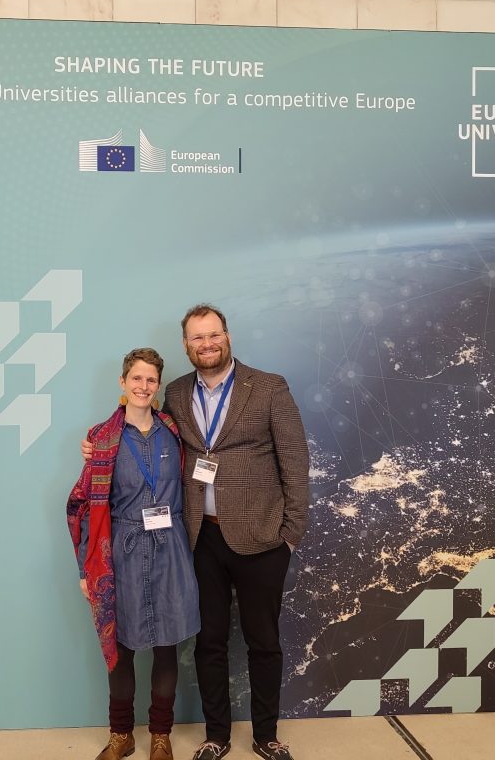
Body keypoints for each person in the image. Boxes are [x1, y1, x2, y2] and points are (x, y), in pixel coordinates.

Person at [83, 305, 309, 760]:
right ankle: (216, 736)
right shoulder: (178, 395)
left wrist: (290, 534)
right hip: (198, 541)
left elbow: (296, 462)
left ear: (226, 335)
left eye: (213, 335)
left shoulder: (267, 387)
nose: (206, 344)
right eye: (196, 338)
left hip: (262, 538)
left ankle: (266, 735)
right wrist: (95, 442)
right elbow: (140, 440)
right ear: (186, 346)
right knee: (209, 643)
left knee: (263, 641)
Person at [68, 347, 201, 760]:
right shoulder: (103, 438)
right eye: (136, 378)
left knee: (166, 646)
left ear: (158, 386)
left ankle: (160, 736)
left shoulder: (175, 432)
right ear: (123, 383)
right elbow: (84, 505)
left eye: (151, 380)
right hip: (120, 552)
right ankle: (121, 735)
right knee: (121, 648)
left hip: (171, 549)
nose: (144, 386)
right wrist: (84, 568)